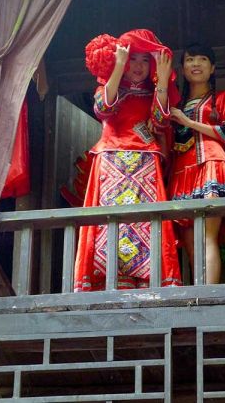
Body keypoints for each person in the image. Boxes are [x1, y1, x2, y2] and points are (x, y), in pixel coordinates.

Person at [74, 29, 182, 292]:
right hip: (111, 161)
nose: (139, 66)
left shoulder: (153, 92)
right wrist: (118, 65)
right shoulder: (108, 87)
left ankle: (147, 280)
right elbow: (104, 108)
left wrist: (163, 81)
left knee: (145, 224)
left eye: (146, 61)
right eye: (134, 59)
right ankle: (107, 279)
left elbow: (159, 120)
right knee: (111, 223)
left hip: (145, 163)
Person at [168, 43, 225, 284]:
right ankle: (198, 296)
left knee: (208, 236)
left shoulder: (222, 97)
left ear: (212, 68)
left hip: (210, 165)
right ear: (182, 68)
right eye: (190, 59)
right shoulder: (175, 104)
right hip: (181, 173)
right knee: (190, 241)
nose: (196, 64)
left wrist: (188, 122)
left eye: (202, 59)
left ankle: (209, 295)